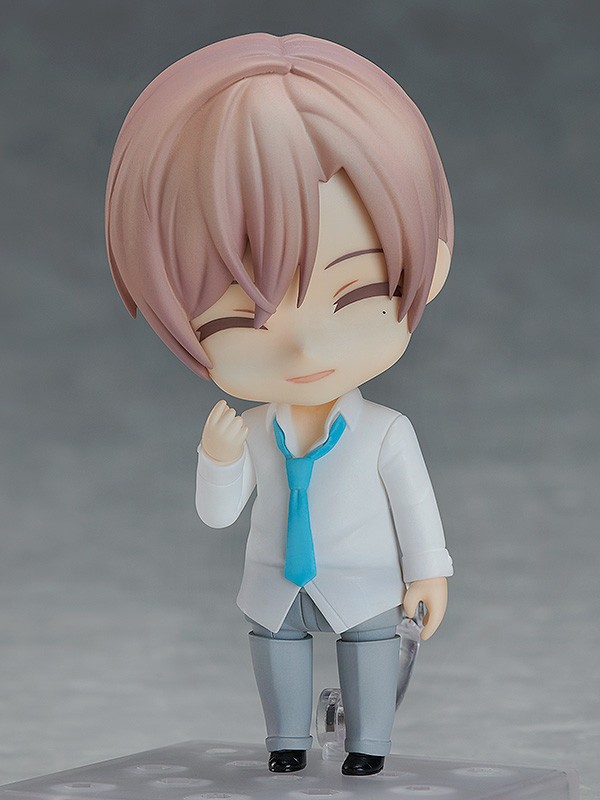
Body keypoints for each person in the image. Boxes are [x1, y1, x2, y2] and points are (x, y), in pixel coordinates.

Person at [105, 32, 454, 777]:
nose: (302, 348)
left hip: (364, 580)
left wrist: (429, 572)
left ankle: (369, 746)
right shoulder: (255, 430)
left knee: (369, 651)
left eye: (354, 295)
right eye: (246, 320)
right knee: (277, 653)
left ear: (434, 262)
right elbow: (218, 516)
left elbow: (415, 508)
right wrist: (218, 461)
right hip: (273, 584)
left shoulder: (386, 433)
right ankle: (286, 742)